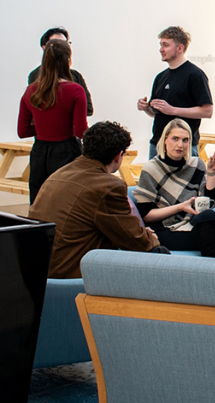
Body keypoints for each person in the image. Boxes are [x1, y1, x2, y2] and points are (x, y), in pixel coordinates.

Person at [29, 121, 163, 278]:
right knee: (159, 257)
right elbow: (136, 241)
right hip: (69, 273)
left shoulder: (60, 173)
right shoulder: (108, 186)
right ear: (119, 156)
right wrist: (150, 238)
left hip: (39, 268)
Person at [133, 119, 215, 259]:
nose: (180, 145)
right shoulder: (151, 169)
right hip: (165, 229)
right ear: (165, 140)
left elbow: (210, 202)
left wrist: (211, 172)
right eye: (175, 139)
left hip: (192, 224)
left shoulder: (196, 164)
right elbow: (147, 215)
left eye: (185, 140)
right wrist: (180, 207)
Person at [18, 39, 88, 203]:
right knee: (66, 201)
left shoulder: (31, 90)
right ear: (68, 60)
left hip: (40, 151)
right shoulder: (75, 90)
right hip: (67, 150)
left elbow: (22, 131)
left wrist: (45, 128)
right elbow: (80, 131)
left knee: (39, 201)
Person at [137, 26, 213, 158]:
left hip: (182, 147)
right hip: (158, 144)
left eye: (166, 45)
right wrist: (146, 108)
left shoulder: (195, 75)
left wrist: (173, 110)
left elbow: (207, 111)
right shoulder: (160, 77)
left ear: (180, 48)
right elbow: (158, 114)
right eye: (160, 45)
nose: (161, 49)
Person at [28, 26, 94, 116]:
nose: (62, 47)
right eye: (56, 43)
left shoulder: (76, 75)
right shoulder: (35, 75)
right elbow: (36, 108)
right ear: (44, 47)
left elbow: (88, 109)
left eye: (66, 43)